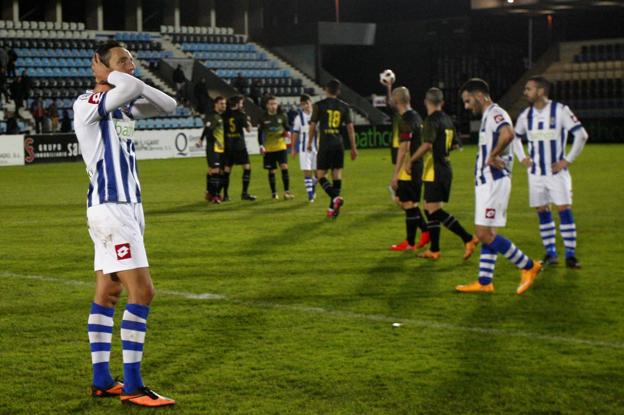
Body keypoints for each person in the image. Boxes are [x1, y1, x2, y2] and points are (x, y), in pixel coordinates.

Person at [73, 40, 177, 407]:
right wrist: (121, 77)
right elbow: (129, 86)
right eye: (121, 60)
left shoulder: (126, 109)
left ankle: (102, 379)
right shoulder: (86, 104)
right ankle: (133, 386)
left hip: (127, 208)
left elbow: (170, 104)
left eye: (132, 61)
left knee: (108, 293)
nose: (129, 66)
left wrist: (126, 76)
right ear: (96, 64)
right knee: (143, 292)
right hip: (112, 207)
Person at [456, 78, 541, 295]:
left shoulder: (495, 113)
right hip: (487, 182)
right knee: (488, 232)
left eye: (467, 101)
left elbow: (509, 134)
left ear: (478, 95)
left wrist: (492, 156)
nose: (466, 106)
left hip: (494, 181)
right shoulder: (489, 116)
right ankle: (485, 282)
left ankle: (529, 266)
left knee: (483, 234)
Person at [512, 76, 588, 268]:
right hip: (536, 174)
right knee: (542, 211)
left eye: (528, 89)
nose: (525, 92)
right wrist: (522, 157)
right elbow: (514, 137)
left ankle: (570, 255)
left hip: (556, 174)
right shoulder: (526, 115)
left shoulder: (560, 111)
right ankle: (551, 253)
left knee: (564, 209)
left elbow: (581, 135)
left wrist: (567, 160)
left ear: (540, 91)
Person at [408, 88, 478, 260]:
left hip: (435, 170)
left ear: (426, 102)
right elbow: (456, 145)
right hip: (444, 168)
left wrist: (411, 160)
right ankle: (435, 249)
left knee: (434, 211)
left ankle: (468, 238)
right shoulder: (447, 119)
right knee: (429, 208)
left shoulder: (431, 120)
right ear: (442, 103)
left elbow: (426, 145)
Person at [308, 79, 358, 219]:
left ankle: (335, 199)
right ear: (338, 92)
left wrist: (309, 142)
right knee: (336, 174)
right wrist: (353, 148)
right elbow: (350, 128)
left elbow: (312, 125)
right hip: (338, 144)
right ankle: (332, 209)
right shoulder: (344, 106)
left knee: (320, 175)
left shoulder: (319, 106)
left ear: (326, 89)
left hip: (325, 144)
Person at [387, 86, 429, 252]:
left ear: (397, 101)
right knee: (401, 201)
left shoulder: (405, 120)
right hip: (417, 165)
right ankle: (425, 231)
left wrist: (395, 174)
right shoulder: (416, 115)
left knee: (408, 203)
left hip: (408, 166)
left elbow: (404, 147)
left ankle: (410, 243)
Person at [258, 96, 294, 200]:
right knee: (272, 171)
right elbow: (259, 133)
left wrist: (287, 134)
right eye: (271, 104)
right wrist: (261, 146)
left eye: (275, 104)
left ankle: (287, 192)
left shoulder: (282, 116)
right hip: (269, 148)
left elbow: (287, 128)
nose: (273, 106)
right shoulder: (263, 118)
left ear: (277, 105)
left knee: (284, 167)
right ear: (267, 105)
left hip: (281, 147)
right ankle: (274, 193)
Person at [223, 95, 256, 201]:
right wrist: (249, 120)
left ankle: (226, 195)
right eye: (241, 103)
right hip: (239, 146)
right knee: (247, 168)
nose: (242, 105)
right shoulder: (241, 115)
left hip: (228, 145)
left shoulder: (225, 114)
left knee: (227, 170)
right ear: (237, 104)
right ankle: (244, 193)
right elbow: (249, 130)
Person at [198, 96, 226, 203]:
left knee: (214, 171)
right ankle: (215, 196)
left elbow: (206, 128)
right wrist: (203, 139)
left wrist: (201, 139)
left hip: (221, 148)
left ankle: (210, 193)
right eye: (222, 103)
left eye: (225, 104)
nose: (224, 105)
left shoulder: (220, 116)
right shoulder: (213, 116)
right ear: (216, 104)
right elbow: (209, 130)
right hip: (213, 147)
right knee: (215, 170)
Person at [291, 94, 318, 202]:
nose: (305, 106)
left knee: (319, 173)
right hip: (304, 149)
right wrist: (293, 148)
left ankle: (313, 185)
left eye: (307, 103)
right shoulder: (299, 118)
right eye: (303, 104)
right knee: (307, 171)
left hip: (316, 148)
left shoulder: (317, 115)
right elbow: (295, 133)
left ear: (310, 102)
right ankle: (310, 195)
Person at [380, 73, 402, 201]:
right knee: (399, 170)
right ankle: (394, 187)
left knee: (403, 170)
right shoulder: (397, 111)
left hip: (403, 144)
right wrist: (389, 87)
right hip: (397, 144)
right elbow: (390, 102)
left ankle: (397, 189)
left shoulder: (407, 113)